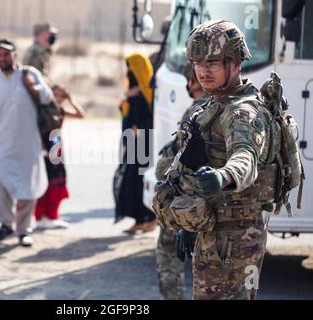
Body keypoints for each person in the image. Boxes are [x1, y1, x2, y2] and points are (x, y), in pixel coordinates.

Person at [155, 19, 283, 300]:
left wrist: (223, 176)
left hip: (236, 238)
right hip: (215, 228)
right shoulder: (216, 103)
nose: (203, 70)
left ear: (235, 64)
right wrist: (191, 224)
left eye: (212, 62)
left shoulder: (242, 112)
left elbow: (245, 157)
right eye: (198, 62)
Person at [0, 39, 53, 247]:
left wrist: (33, 87)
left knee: (27, 189)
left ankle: (24, 230)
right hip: (1, 144)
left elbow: (48, 98)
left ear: (15, 55)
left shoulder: (30, 74)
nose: (2, 58)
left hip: (28, 144)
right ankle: (6, 224)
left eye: (6, 54)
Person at [155, 62, 207, 300]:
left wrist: (163, 168)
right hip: (200, 199)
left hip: (185, 198)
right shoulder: (218, 108)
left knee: (169, 253)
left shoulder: (198, 111)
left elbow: (182, 160)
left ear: (192, 82)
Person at [114, 53, 157, 234]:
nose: (129, 72)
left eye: (132, 68)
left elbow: (150, 118)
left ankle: (149, 219)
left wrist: (139, 130)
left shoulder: (148, 94)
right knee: (131, 181)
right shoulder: (133, 92)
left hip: (142, 144)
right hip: (132, 144)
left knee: (140, 180)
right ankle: (140, 220)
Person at [34, 85, 85, 229]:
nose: (58, 98)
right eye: (55, 95)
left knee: (59, 180)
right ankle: (43, 215)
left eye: (61, 96)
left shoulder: (60, 111)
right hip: (47, 145)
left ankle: (52, 214)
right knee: (48, 180)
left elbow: (80, 115)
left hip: (57, 144)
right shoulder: (43, 111)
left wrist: (71, 100)